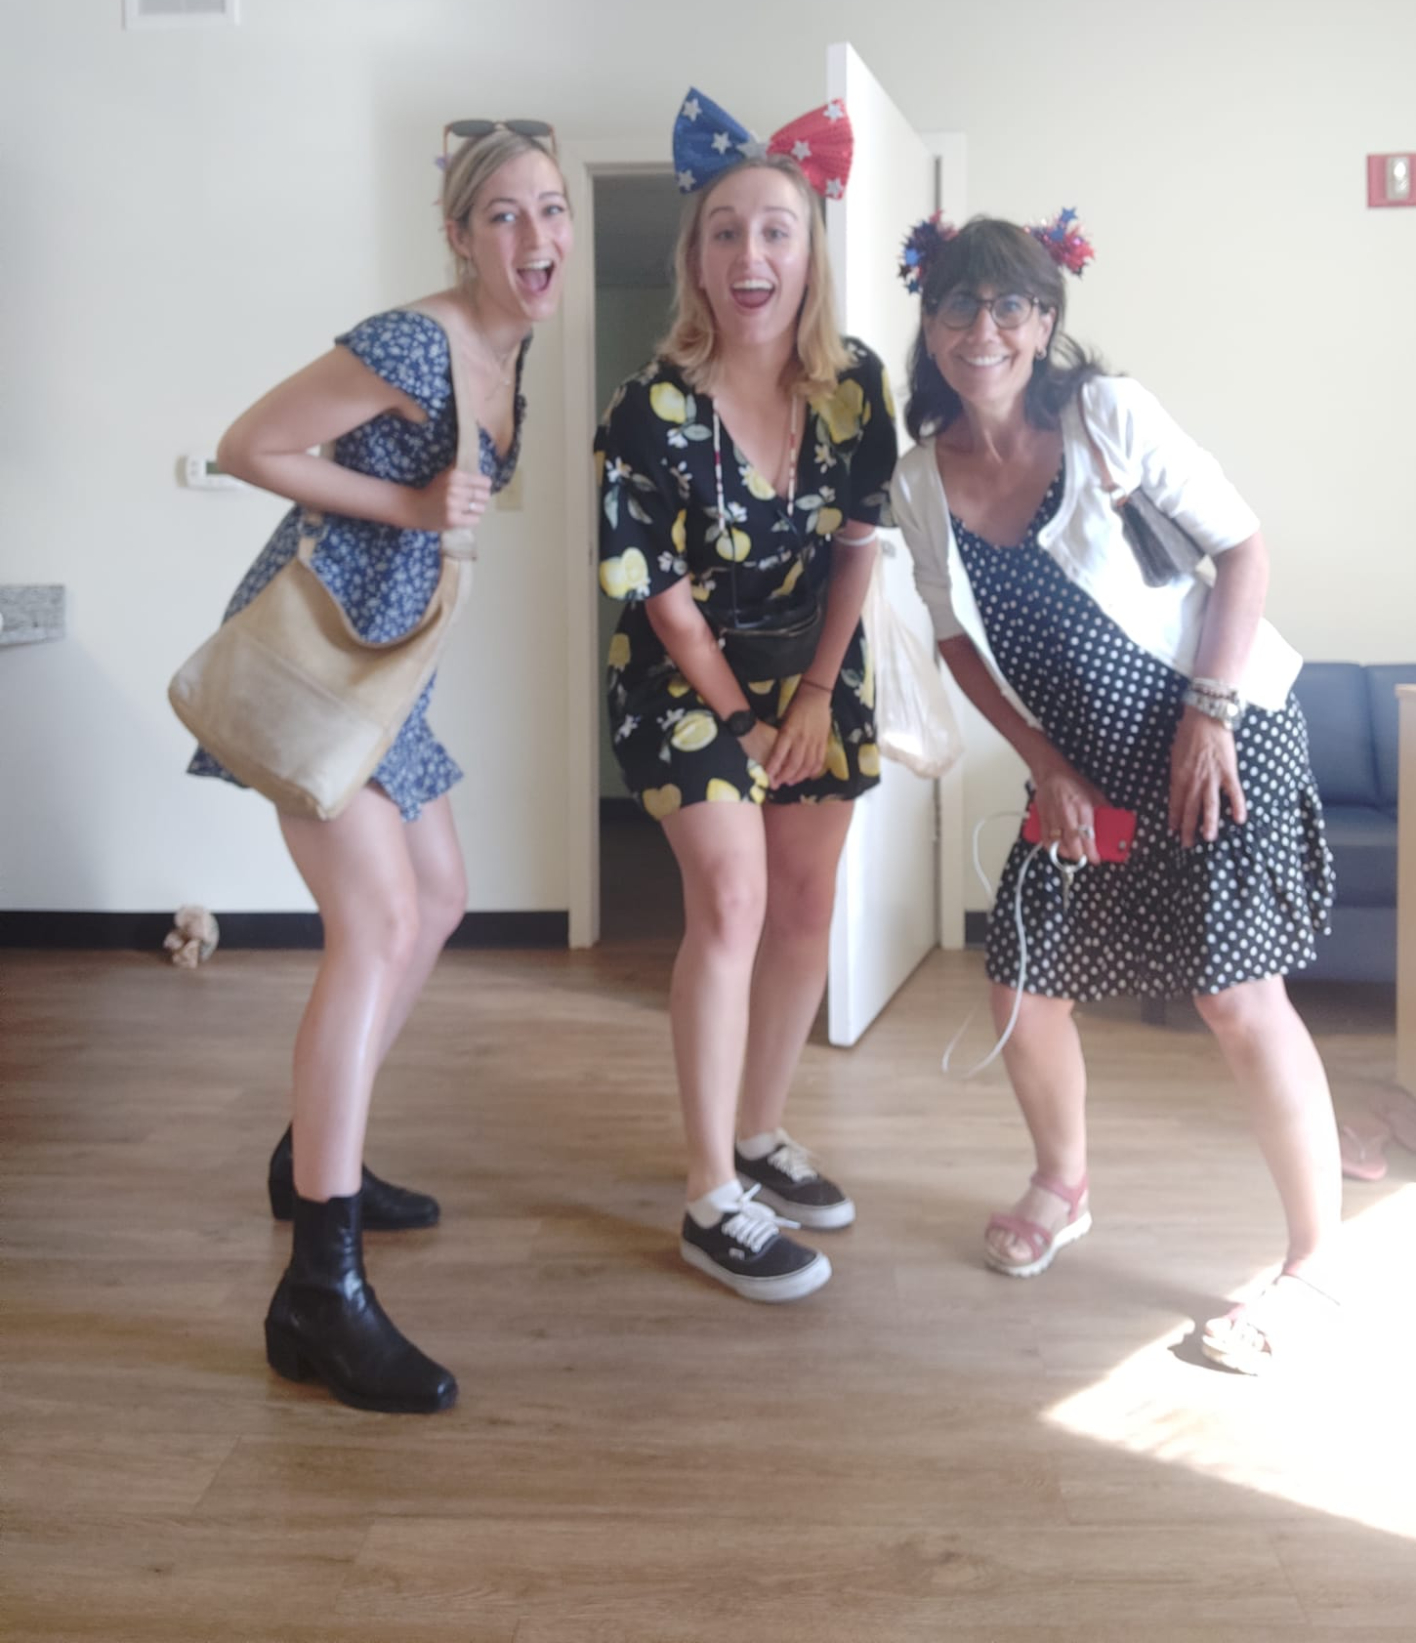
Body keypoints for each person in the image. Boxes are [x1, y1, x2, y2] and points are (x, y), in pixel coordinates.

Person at [891, 210, 1339, 1373]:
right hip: (1079, 758)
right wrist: (1041, 763)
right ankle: (1062, 1181)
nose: (978, 329)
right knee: (1019, 980)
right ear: (927, 322)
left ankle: (1311, 1267)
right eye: (954, 304)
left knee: (1236, 1001)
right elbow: (951, 638)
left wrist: (1208, 708)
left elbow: (1242, 551)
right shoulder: (918, 481)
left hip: (1220, 729)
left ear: (1042, 322)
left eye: (1006, 306)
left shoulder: (1106, 415)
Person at [190, 119, 571, 1409]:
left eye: (551, 210)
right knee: (377, 923)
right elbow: (249, 445)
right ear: (459, 234)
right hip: (322, 662)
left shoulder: (512, 353)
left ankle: (313, 1148)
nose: (535, 237)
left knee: (440, 898)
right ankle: (319, 1288)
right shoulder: (414, 339)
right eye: (504, 214)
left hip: (390, 672)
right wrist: (412, 507)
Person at [594, 88, 896, 1303]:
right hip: (683, 673)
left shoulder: (855, 386)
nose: (749, 254)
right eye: (724, 230)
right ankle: (709, 1192)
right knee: (731, 893)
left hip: (815, 660)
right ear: (695, 258)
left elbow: (860, 543)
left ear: (806, 252)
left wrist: (816, 688)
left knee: (805, 900)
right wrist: (745, 718)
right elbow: (658, 593)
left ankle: (762, 1130)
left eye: (773, 229)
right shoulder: (648, 406)